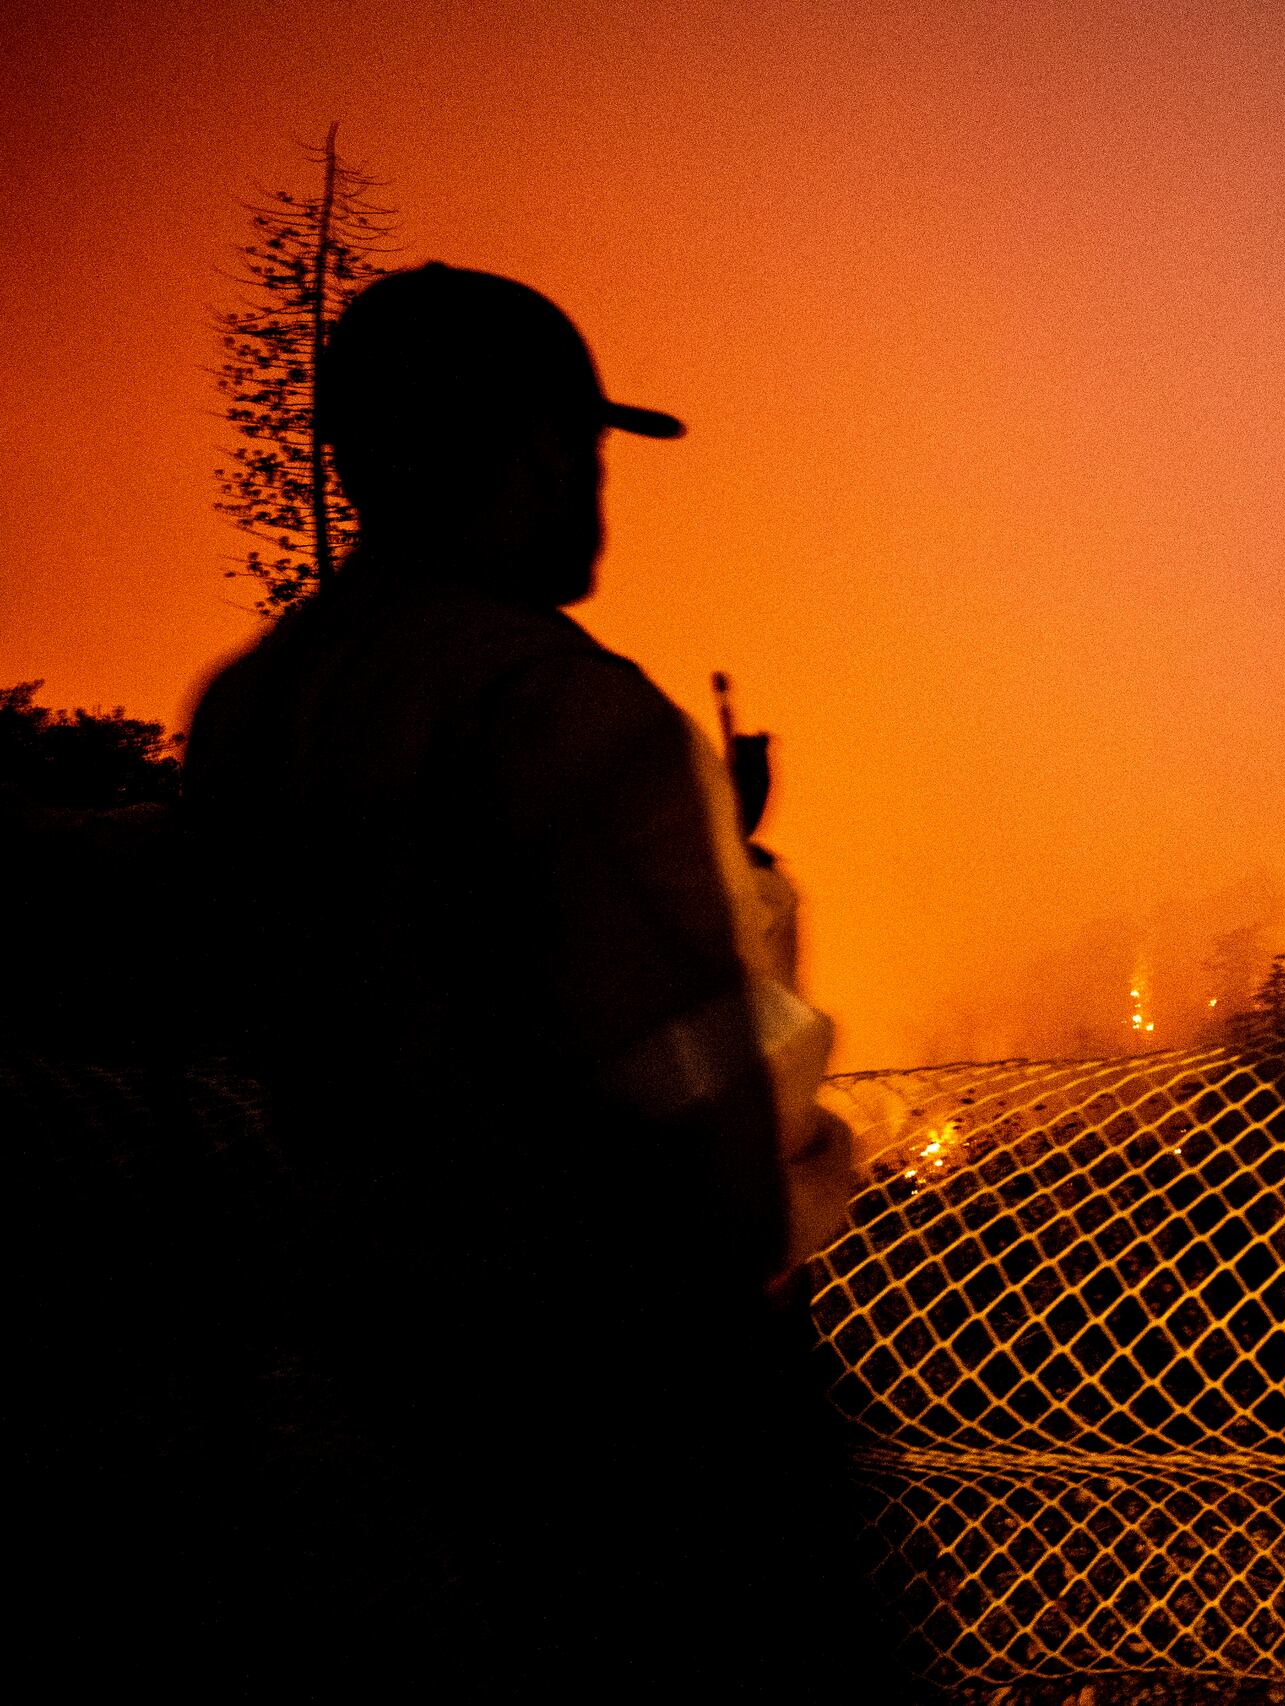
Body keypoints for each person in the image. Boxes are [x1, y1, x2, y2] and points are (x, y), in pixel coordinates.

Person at [183, 263, 852, 1687]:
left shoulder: (252, 710)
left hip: (367, 1384)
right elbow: (697, 1120)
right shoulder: (563, 705)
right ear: (545, 451)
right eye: (593, 454)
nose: (600, 492)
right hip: (605, 1414)